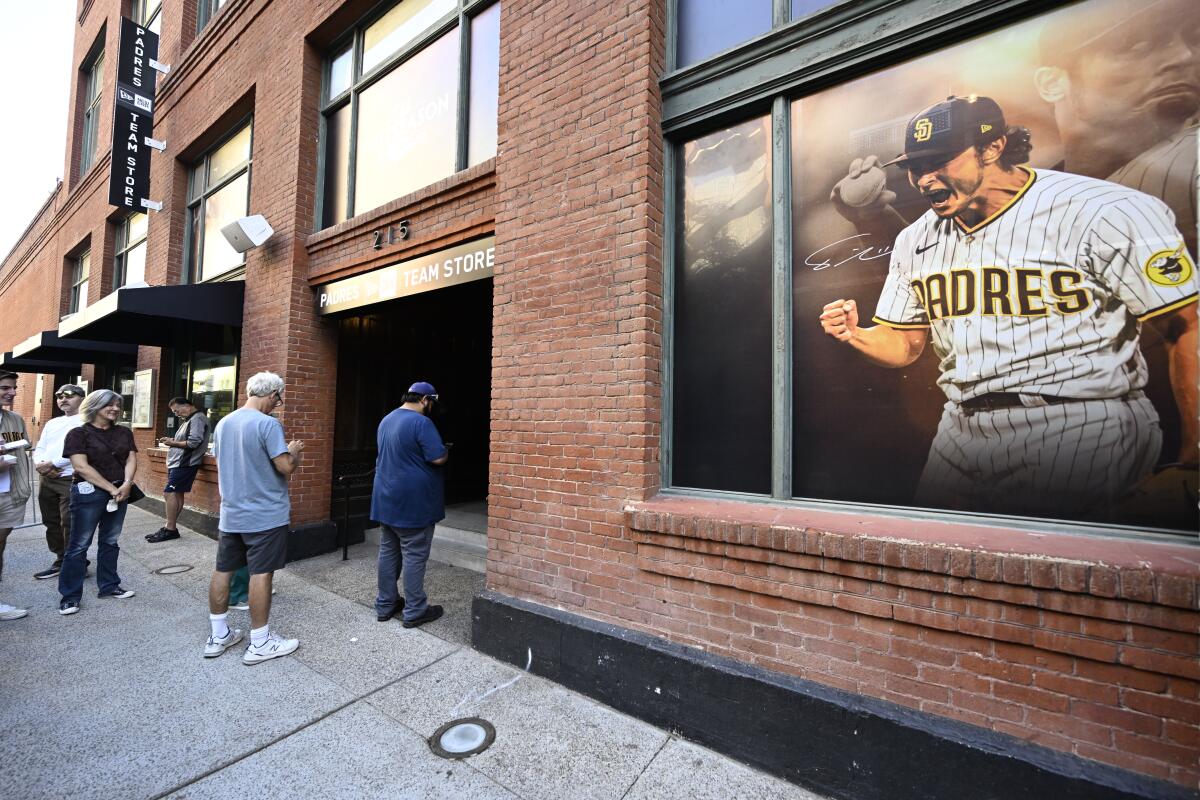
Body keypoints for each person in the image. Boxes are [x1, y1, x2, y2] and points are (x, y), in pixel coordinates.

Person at [818, 95, 1198, 519]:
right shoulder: (916, 239)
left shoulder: (1103, 210)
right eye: (915, 166)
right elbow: (905, 343)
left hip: (1077, 421)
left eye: (939, 160)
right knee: (932, 561)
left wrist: (1194, 460)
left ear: (993, 147)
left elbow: (1186, 326)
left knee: (1053, 568)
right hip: (960, 426)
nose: (924, 179)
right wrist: (856, 334)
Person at [203, 372, 303, 664]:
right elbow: (285, 467)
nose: (277, 405)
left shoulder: (224, 422)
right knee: (262, 573)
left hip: (231, 512)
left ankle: (218, 635)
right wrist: (294, 452)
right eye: (278, 399)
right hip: (265, 514)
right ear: (272, 394)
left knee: (223, 570)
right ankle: (260, 641)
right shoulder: (268, 424)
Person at [371, 381, 448, 628]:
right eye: (431, 403)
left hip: (386, 498)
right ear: (425, 399)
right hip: (413, 502)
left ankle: (386, 604)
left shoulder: (387, 419)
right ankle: (415, 610)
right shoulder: (421, 422)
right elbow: (437, 457)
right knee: (414, 553)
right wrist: (445, 451)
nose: (431, 408)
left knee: (388, 551)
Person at [57, 389, 139, 616]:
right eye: (108, 405)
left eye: (117, 405)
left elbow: (131, 457)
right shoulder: (78, 433)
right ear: (94, 406)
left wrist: (127, 484)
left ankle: (109, 585)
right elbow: (81, 467)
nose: (114, 409)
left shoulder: (124, 432)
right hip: (89, 493)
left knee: (110, 541)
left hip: (120, 491)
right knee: (79, 545)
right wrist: (113, 488)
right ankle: (70, 596)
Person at [31, 384, 85, 579]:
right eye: (59, 396)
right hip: (47, 478)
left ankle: (74, 562)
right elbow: (40, 446)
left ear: (81, 398)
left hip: (70, 478)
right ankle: (61, 557)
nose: (63, 399)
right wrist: (39, 464)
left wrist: (52, 464)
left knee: (69, 522)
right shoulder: (52, 423)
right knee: (51, 521)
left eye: (69, 395)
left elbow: (80, 449)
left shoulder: (86, 421)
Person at [147, 396, 211, 543]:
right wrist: (171, 442)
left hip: (186, 464)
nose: (176, 414)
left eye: (177, 410)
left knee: (169, 493)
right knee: (176, 495)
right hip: (178, 463)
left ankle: (170, 529)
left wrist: (172, 443)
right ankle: (170, 527)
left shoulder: (197, 419)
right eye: (174, 412)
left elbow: (194, 442)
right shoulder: (189, 420)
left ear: (188, 405)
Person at [0, 371, 30, 620]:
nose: (11, 393)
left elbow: (21, 445)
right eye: (5, 388)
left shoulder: (15, 419)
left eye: (13, 388)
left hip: (10, 494)